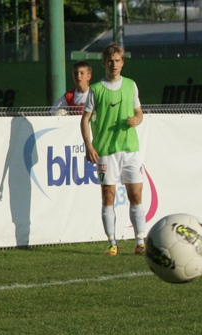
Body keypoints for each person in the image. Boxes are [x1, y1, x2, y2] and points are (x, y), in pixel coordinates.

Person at [80, 42, 146, 256]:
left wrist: (137, 119)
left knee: (136, 194)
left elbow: (139, 112)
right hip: (106, 151)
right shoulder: (96, 89)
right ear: (104, 64)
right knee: (108, 196)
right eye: (110, 61)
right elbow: (85, 119)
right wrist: (89, 145)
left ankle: (140, 241)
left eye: (117, 61)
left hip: (130, 149)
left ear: (122, 63)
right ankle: (112, 242)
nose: (114, 65)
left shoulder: (131, 85)